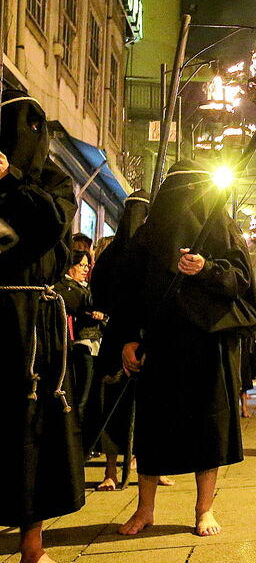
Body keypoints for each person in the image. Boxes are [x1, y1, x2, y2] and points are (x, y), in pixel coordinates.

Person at [111, 159, 256, 536]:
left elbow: (241, 278)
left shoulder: (221, 226)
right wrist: (127, 336)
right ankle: (145, 510)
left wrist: (207, 267)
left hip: (207, 342)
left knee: (207, 425)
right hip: (159, 341)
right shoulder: (148, 235)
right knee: (152, 426)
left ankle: (203, 509)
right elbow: (126, 291)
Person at [0, 89, 83, 563]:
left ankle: (32, 544)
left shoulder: (53, 180)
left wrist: (11, 178)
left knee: (34, 427)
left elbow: (51, 225)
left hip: (33, 321)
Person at [85, 190, 153, 490]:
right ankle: (111, 471)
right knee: (113, 402)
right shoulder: (113, 255)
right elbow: (98, 295)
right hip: (118, 336)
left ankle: (148, 467)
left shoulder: (154, 250)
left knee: (149, 406)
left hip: (146, 334)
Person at [54, 250, 106, 426]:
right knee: (81, 396)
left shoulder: (86, 286)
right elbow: (82, 304)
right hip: (80, 344)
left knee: (92, 396)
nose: (85, 269)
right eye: (81, 265)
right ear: (70, 266)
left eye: (87, 265)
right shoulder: (66, 287)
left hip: (96, 343)